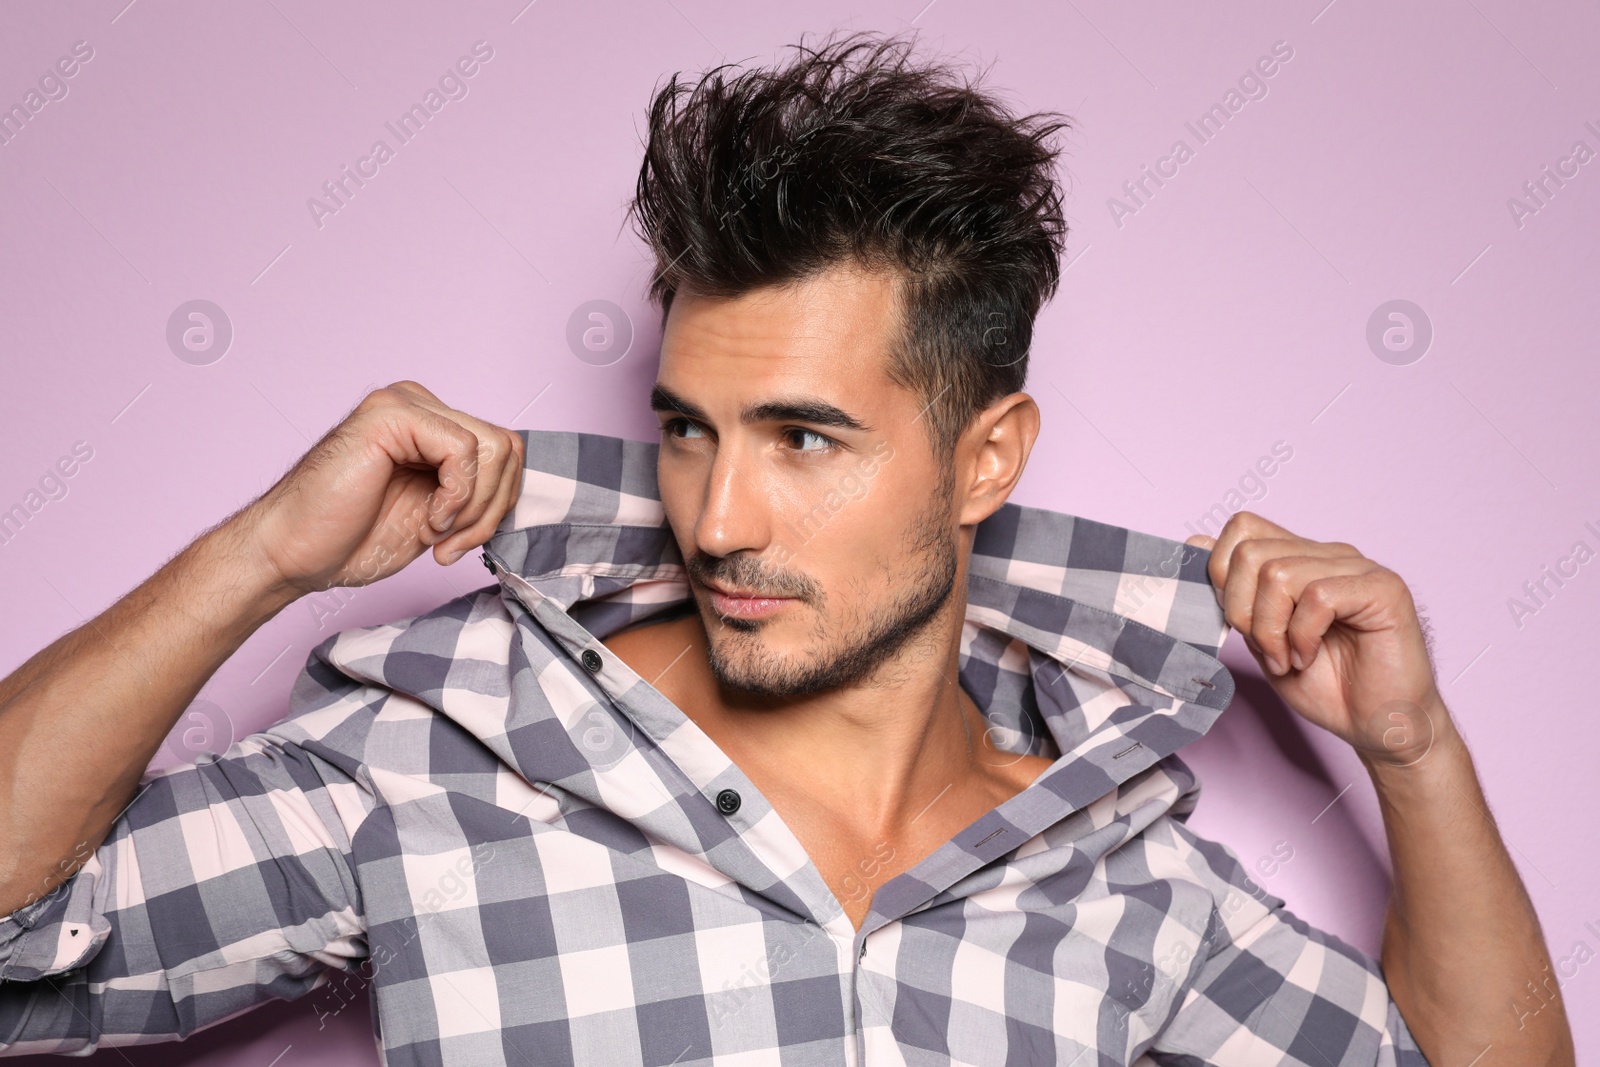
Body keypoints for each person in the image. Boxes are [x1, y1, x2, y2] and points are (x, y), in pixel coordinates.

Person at [0, 29, 1573, 1067]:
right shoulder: (442, 763)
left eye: (804, 439)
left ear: (988, 460)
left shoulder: (1113, 872)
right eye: (689, 427)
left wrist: (1412, 750)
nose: (720, 518)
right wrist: (261, 556)